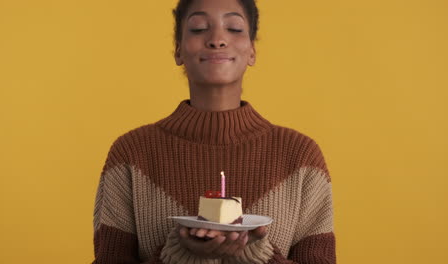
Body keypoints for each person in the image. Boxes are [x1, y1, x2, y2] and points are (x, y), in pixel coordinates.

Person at [92, 0, 336, 263]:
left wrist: (255, 253)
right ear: (178, 50)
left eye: (234, 28)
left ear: (252, 51)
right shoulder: (131, 154)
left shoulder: (300, 157)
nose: (217, 39)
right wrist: (179, 253)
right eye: (198, 28)